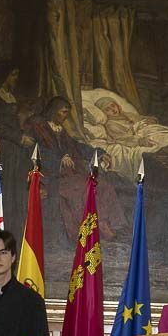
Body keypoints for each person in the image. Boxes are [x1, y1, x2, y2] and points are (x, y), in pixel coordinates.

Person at [26, 96, 125, 244]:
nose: (66, 116)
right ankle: (97, 227)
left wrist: (99, 153)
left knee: (103, 185)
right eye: (63, 112)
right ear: (54, 111)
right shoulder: (38, 126)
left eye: (67, 113)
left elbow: (76, 146)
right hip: (50, 175)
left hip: (69, 172)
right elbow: (34, 151)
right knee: (84, 188)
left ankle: (112, 224)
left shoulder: (60, 129)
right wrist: (59, 159)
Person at [0, 60, 31, 228]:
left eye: (16, 75)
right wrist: (18, 137)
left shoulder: (10, 96)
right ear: (4, 76)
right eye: (13, 75)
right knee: (2, 187)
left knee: (14, 187)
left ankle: (12, 225)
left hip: (13, 147)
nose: (15, 78)